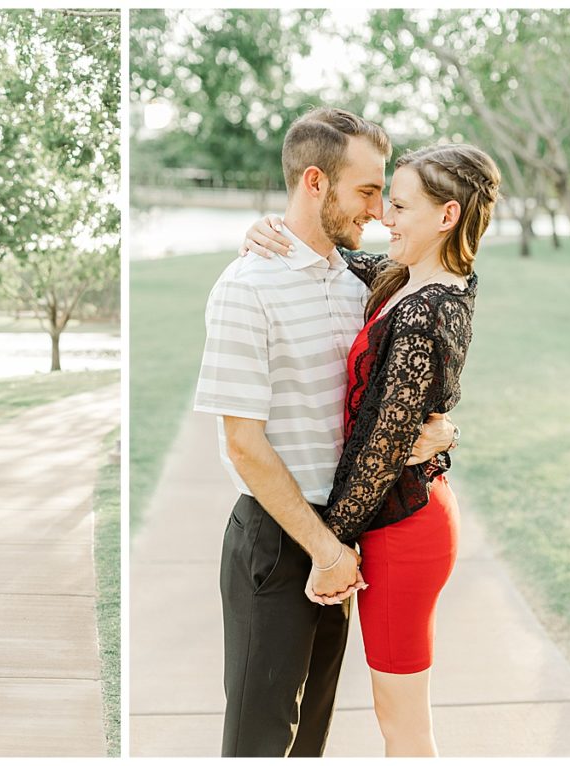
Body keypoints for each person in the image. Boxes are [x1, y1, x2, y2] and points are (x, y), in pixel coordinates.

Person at [194, 107, 456, 757]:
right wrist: (324, 549)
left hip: (339, 534)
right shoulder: (245, 288)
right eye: (367, 190)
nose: (378, 210)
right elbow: (241, 444)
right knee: (260, 744)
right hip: (280, 544)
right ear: (315, 181)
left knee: (308, 740)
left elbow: (393, 388)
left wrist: (438, 428)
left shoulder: (355, 282)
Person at [242, 143, 500, 756]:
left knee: (403, 726)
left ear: (447, 216)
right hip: (406, 516)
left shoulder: (422, 315)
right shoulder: (413, 279)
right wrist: (268, 229)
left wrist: (329, 549)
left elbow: (375, 456)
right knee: (399, 717)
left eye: (401, 205)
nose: (385, 215)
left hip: (403, 531)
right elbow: (332, 254)